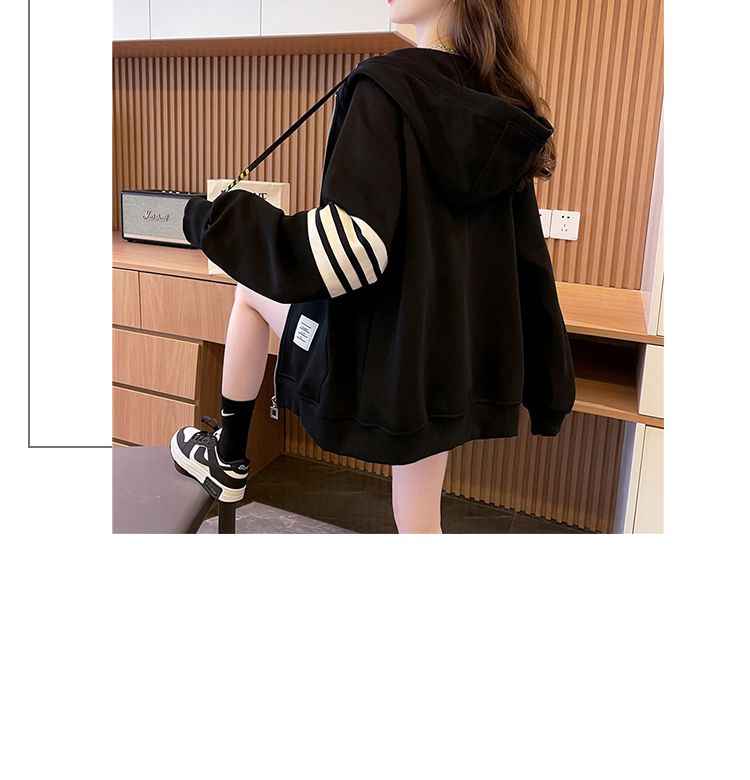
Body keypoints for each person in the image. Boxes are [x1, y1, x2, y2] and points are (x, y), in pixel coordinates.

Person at [170, 0, 576, 534]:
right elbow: (527, 260)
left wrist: (217, 222)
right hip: (446, 358)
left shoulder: (386, 84)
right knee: (419, 521)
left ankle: (227, 458)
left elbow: (351, 248)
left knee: (248, 292)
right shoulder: (497, 102)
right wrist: (549, 385)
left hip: (382, 360)